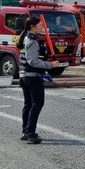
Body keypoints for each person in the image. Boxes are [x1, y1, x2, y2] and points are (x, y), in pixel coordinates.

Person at [16, 16, 60, 144]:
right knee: (37, 103)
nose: (42, 27)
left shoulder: (25, 38)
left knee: (29, 104)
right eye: (40, 25)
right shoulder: (32, 40)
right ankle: (30, 132)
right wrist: (51, 65)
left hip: (25, 76)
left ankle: (25, 131)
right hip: (32, 77)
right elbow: (33, 61)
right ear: (32, 27)